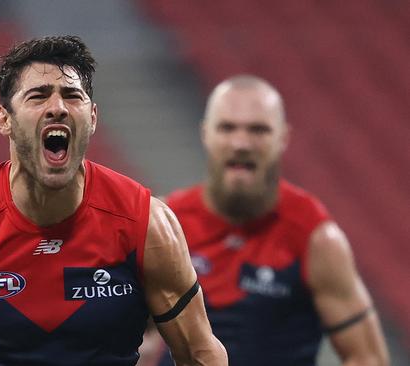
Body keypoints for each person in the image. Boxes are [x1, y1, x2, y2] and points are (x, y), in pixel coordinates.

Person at [0, 35, 227, 366]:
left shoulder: (146, 225)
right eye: (38, 96)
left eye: (72, 95)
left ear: (92, 117)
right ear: (4, 119)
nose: (57, 108)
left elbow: (200, 353)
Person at [144, 75, 389, 366]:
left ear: (282, 138)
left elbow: (367, 357)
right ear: (205, 134)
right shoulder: (165, 225)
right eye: (227, 128)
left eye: (258, 130)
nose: (241, 143)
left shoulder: (316, 237)